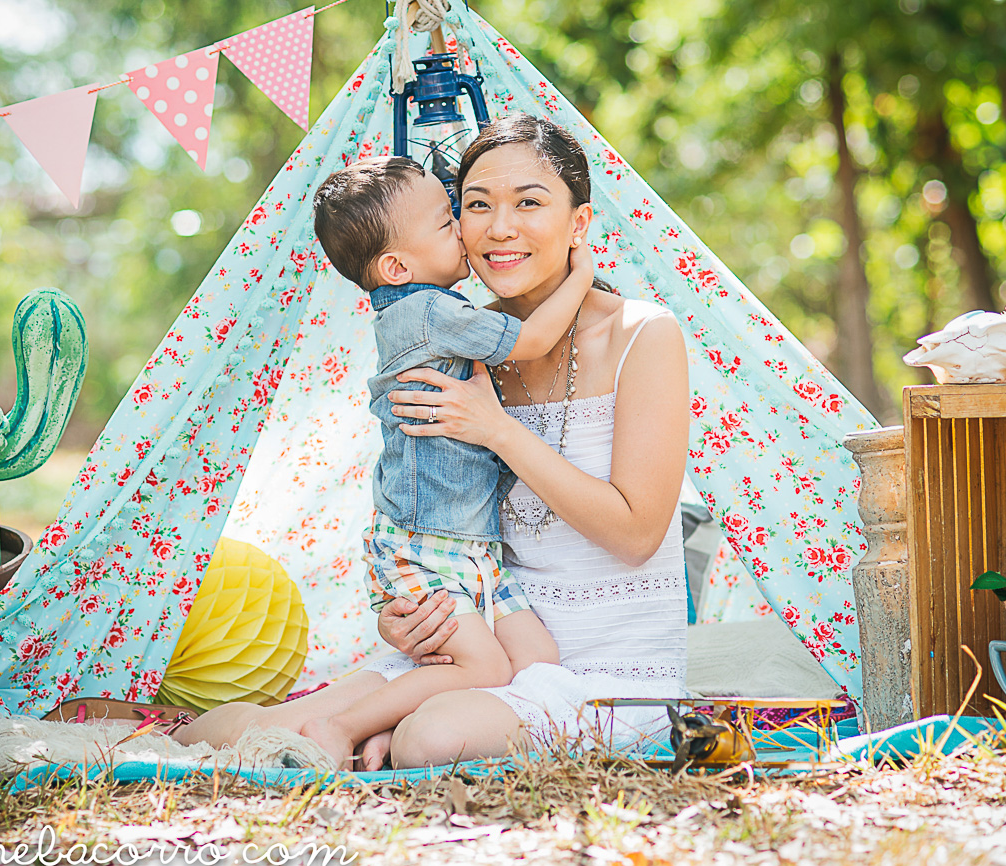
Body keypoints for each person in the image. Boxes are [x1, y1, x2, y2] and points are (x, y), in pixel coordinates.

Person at [178, 114, 688, 768]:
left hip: (607, 676)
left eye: (529, 203)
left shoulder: (645, 335)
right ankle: (148, 742)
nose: (499, 227)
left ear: (579, 225)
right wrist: (406, 612)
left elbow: (638, 532)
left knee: (429, 737)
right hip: (476, 643)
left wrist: (496, 429)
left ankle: (386, 732)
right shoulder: (461, 340)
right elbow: (425, 497)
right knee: (280, 723)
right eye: (475, 206)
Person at [247, 154, 592, 768]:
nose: (463, 227)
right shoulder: (429, 313)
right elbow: (533, 340)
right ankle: (341, 725)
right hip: (426, 540)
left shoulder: (427, 311)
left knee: (536, 659)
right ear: (398, 265)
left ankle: (387, 726)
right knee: (483, 663)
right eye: (446, 221)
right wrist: (579, 277)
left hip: (469, 543)